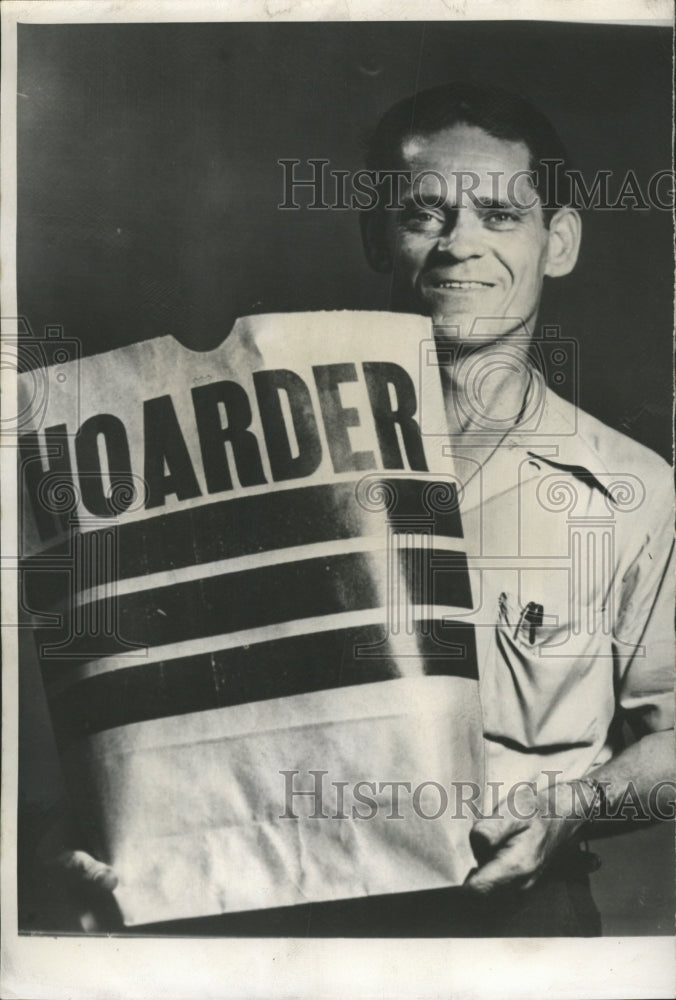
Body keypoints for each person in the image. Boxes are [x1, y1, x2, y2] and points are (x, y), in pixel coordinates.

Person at [37, 82, 674, 937]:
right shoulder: (254, 449)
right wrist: (90, 824)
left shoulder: (629, 489)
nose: (460, 246)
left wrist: (569, 809)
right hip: (274, 914)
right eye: (424, 215)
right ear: (376, 236)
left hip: (520, 923)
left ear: (557, 241)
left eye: (499, 214)